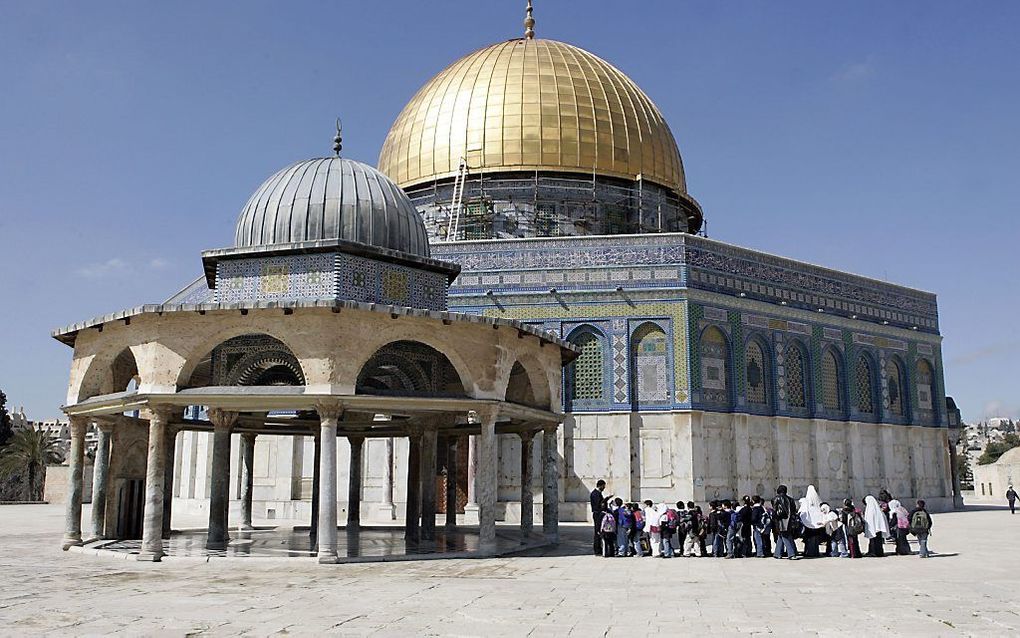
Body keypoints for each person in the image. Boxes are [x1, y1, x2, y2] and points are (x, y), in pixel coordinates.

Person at [772, 485, 799, 559]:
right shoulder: (791, 499)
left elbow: (774, 511)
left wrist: (774, 520)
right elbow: (794, 510)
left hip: (781, 521)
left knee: (785, 536)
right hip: (789, 521)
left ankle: (791, 554)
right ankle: (777, 553)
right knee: (781, 536)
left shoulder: (776, 499)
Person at [799, 486, 826, 558]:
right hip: (817, 524)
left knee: (809, 539)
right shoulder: (819, 501)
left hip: (809, 524)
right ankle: (815, 552)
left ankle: (809, 552)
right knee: (815, 539)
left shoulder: (806, 502)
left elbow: (802, 512)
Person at [590, 480, 608, 556]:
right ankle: (597, 550)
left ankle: (599, 549)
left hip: (599, 514)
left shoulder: (597, 493)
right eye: (603, 486)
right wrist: (605, 500)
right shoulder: (595, 493)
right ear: (600, 485)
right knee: (598, 532)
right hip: (597, 514)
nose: (604, 488)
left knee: (599, 531)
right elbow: (599, 505)